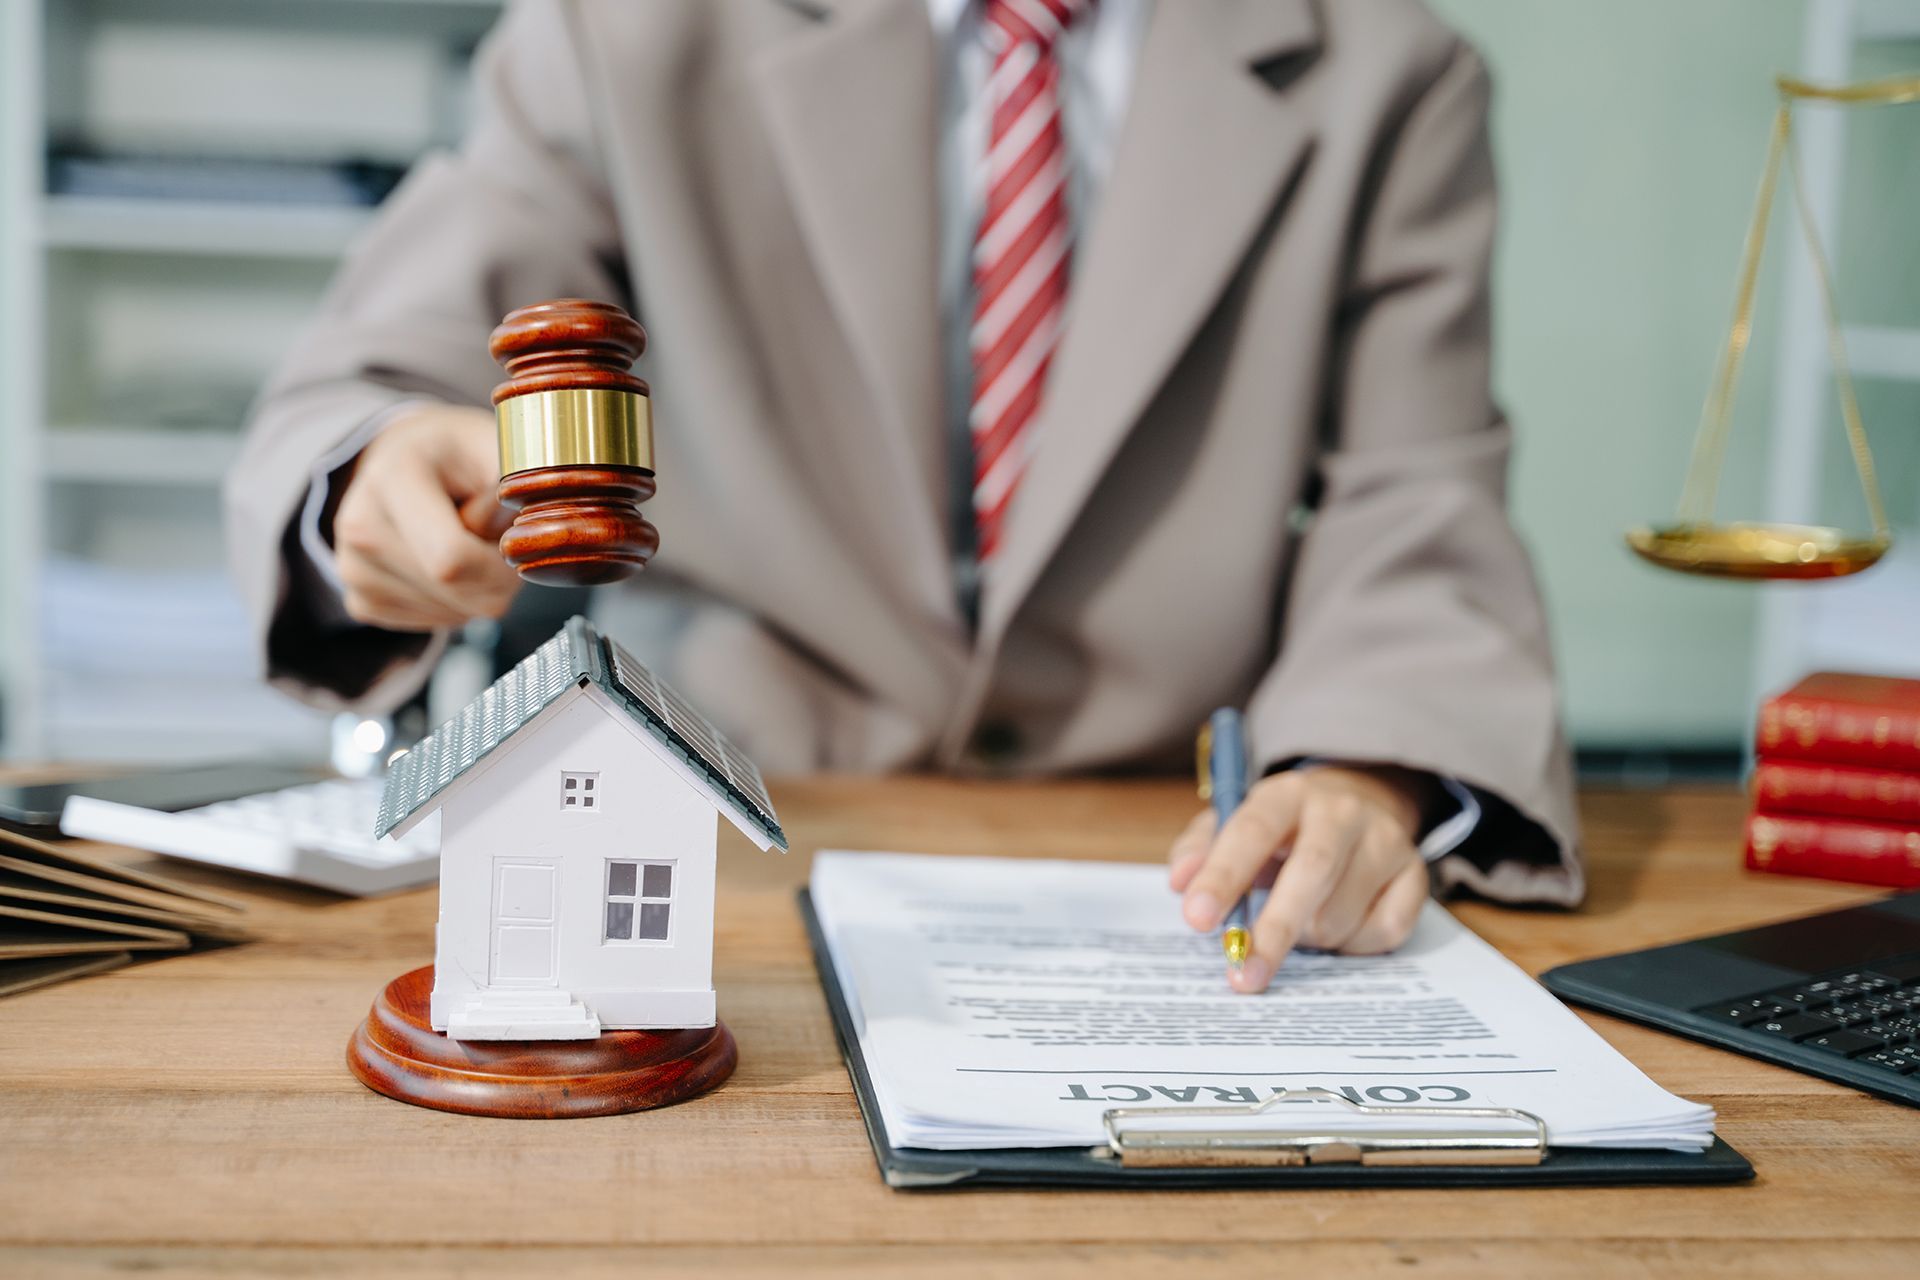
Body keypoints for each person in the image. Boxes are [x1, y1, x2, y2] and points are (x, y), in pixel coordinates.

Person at [227, 0, 1582, 993]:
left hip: (1171, 844)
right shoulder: (618, 27)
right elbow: (382, 367)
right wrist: (370, 476)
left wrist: (1363, 761)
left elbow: (1415, 494)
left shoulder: (1394, 73)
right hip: (723, 818)